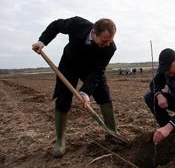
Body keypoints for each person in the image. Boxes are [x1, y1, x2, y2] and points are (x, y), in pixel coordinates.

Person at [32, 16, 119, 158]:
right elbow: (56, 25)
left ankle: (112, 132)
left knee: (103, 94)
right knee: (63, 99)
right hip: (69, 65)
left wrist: (85, 93)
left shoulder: (110, 48)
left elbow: (98, 71)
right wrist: (42, 41)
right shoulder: (77, 24)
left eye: (110, 40)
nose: (107, 44)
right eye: (104, 40)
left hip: (91, 69)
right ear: (94, 33)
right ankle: (60, 141)